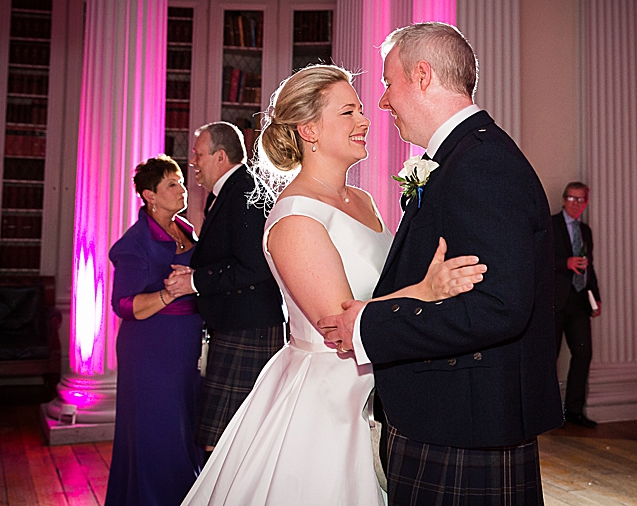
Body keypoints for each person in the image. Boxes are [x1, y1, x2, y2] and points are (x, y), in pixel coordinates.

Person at [180, 64, 485, 505]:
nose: (364, 120)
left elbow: (383, 290)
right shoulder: (296, 218)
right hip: (326, 399)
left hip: (381, 381)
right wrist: (427, 290)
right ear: (309, 129)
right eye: (348, 112)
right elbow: (339, 323)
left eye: (360, 109)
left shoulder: (361, 200)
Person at [319, 22, 563, 505]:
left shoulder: (481, 165)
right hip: (455, 416)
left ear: (423, 76)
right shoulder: (463, 157)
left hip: (465, 425)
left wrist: (369, 327)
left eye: (389, 82)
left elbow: (498, 307)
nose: (384, 102)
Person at [163, 121, 286, 457]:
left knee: (229, 442)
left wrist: (194, 281)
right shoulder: (229, 192)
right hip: (238, 325)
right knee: (224, 440)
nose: (194, 164)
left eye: (199, 155)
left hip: (248, 327)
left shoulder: (245, 191)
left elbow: (254, 267)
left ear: (220, 156)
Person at [106, 155, 203, 506]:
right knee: (160, 433)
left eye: (181, 182)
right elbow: (124, 305)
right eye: (172, 185)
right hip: (150, 350)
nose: (182, 190)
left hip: (187, 345)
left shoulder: (186, 228)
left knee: (186, 427)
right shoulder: (134, 244)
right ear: (150, 195)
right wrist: (168, 293)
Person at [553, 181, 602, 429]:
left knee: (583, 354)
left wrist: (596, 296)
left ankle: (574, 410)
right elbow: (540, 260)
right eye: (572, 199)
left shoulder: (586, 231)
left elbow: (589, 267)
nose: (576, 204)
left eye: (581, 200)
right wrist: (566, 263)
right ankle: (548, 413)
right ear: (564, 200)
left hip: (580, 301)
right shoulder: (551, 225)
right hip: (555, 301)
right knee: (549, 356)